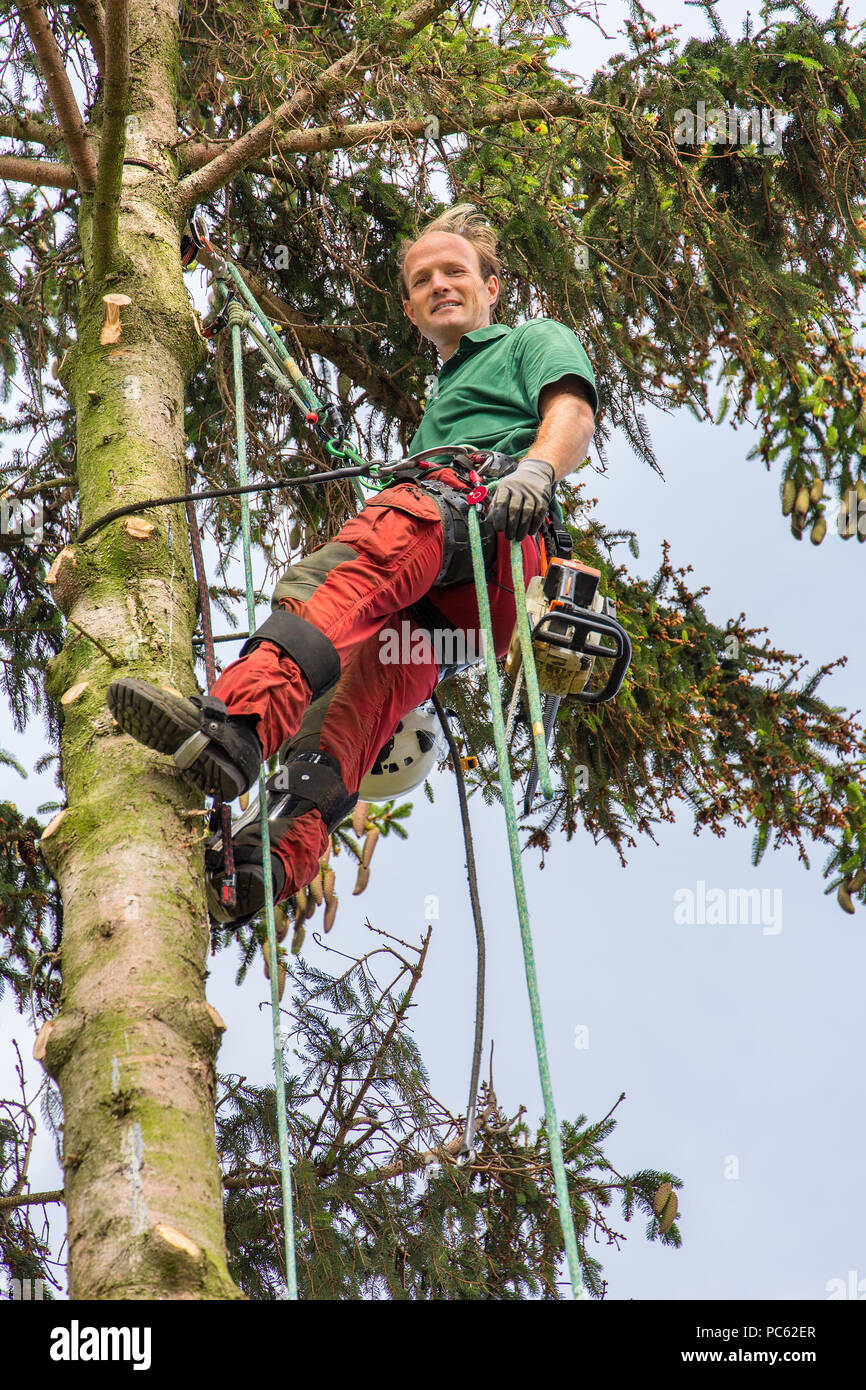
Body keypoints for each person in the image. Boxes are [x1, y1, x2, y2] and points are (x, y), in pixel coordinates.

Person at [106, 203, 598, 924]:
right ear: (409, 307)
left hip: (487, 520)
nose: (440, 285)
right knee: (349, 707)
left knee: (332, 582)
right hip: (456, 616)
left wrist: (536, 474)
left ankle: (239, 724)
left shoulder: (531, 339)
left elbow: (573, 413)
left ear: (492, 287)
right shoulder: (446, 395)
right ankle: (267, 861)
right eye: (423, 279)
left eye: (455, 272)